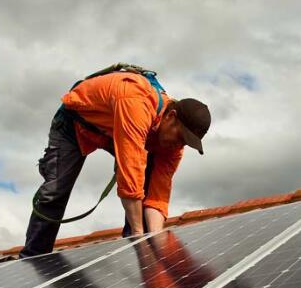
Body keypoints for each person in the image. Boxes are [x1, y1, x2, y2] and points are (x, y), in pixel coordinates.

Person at [19, 67, 211, 258]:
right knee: (55, 192)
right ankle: (34, 257)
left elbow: (158, 197)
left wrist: (157, 242)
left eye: (185, 142)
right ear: (171, 117)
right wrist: (139, 236)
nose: (179, 145)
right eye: (180, 137)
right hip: (75, 124)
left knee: (148, 184)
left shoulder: (173, 147)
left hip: (113, 130)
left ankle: (137, 258)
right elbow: (130, 174)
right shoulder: (136, 103)